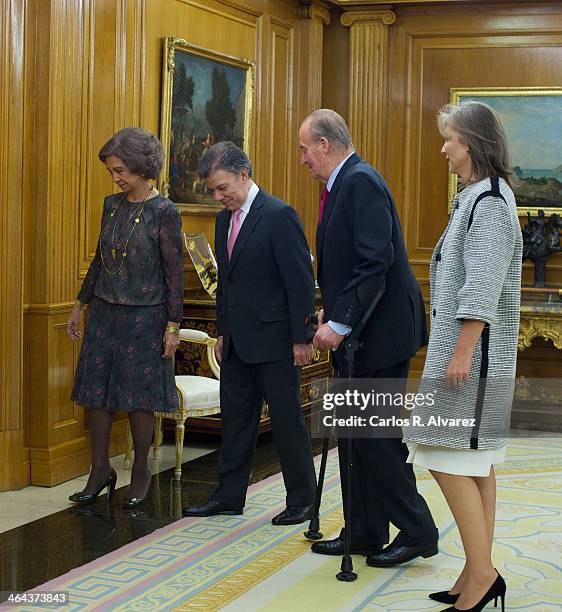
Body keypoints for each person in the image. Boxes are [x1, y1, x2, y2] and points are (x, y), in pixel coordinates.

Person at [299, 109, 439, 564]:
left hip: (380, 332)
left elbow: (375, 261)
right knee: (357, 436)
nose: (302, 159)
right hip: (365, 328)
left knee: (375, 439)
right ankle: (364, 530)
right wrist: (333, 309)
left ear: (325, 143)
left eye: (304, 149)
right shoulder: (343, 184)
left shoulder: (360, 181)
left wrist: (340, 323)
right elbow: (350, 263)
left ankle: (419, 529)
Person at [403, 101, 522, 611]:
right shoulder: (475, 197)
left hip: (473, 356)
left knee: (441, 453)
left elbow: (484, 281)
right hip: (468, 352)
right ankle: (477, 571)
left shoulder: (491, 201)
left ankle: (481, 573)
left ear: (469, 142)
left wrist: (463, 350)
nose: (443, 148)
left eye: (449, 138)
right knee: (475, 463)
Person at [182, 142, 317, 525]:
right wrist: (223, 331)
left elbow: (300, 283)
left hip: (277, 343)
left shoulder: (279, 215)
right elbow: (226, 282)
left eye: (222, 187)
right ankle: (229, 496)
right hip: (237, 342)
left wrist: (303, 338)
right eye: (211, 190)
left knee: (287, 423)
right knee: (236, 421)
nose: (217, 196)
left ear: (244, 175)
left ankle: (303, 498)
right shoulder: (224, 220)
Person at [67, 127, 184, 508]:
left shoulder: (164, 211)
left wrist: (173, 325)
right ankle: (99, 471)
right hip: (104, 313)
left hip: (144, 319)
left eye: (121, 170)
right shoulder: (111, 205)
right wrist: (80, 304)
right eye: (111, 171)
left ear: (140, 166)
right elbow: (100, 260)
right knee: (95, 396)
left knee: (138, 400)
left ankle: (140, 474)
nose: (116, 178)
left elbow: (174, 274)